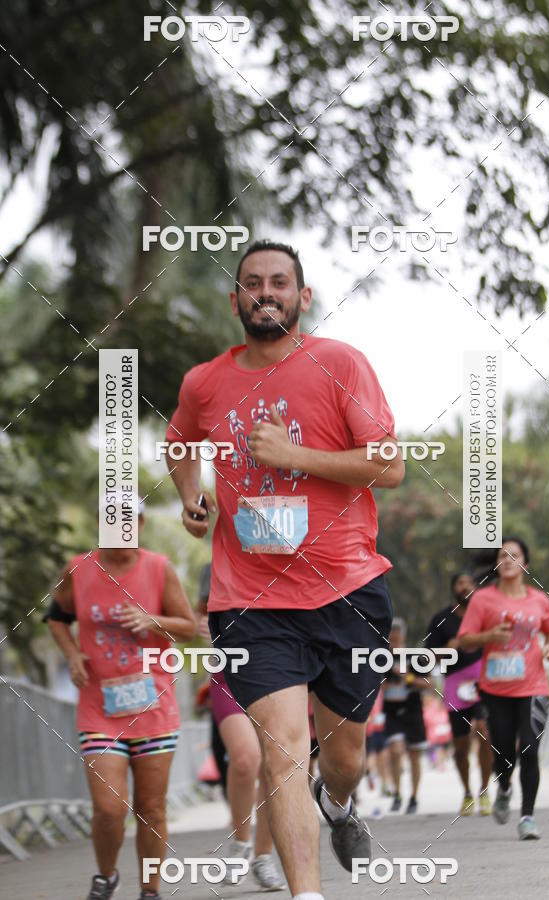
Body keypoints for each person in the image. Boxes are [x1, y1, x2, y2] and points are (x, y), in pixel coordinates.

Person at [166, 240, 404, 900]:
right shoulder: (205, 381)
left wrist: (298, 453)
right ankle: (308, 894)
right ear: (235, 299)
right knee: (282, 749)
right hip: (251, 599)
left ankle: (340, 801)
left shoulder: (340, 365)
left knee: (345, 755)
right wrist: (191, 495)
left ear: (303, 298)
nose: (264, 291)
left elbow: (389, 466)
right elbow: (180, 446)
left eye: (279, 282)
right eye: (251, 283)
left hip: (349, 589)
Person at [46, 497, 196, 900]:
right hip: (100, 709)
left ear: (141, 523)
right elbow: (56, 619)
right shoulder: (77, 570)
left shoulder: (159, 568)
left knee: (152, 809)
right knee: (110, 809)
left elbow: (189, 627)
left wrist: (154, 620)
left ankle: (149, 889)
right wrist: (73, 653)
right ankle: (107, 875)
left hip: (153, 707)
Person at [457, 536, 549, 840]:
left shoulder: (539, 600)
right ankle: (503, 786)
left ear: (525, 564)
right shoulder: (483, 599)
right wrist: (488, 635)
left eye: (514, 555)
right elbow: (464, 639)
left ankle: (527, 817)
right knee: (503, 752)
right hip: (495, 689)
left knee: (529, 749)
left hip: (534, 687)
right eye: (503, 555)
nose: (508, 560)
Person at [196, 563, 285, 891]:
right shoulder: (215, 565)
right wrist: (202, 624)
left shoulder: (286, 557)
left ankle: (263, 857)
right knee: (245, 758)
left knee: (274, 766)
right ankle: (240, 843)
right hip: (228, 672)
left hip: (278, 671)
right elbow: (198, 611)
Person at [425, 572, 493, 815]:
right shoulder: (442, 619)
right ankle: (467, 792)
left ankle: (485, 790)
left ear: (476, 587)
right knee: (461, 744)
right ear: (453, 588)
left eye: (468, 583)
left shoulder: (485, 614)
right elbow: (427, 657)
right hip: (455, 685)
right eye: (459, 584)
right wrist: (447, 648)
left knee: (484, 732)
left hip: (485, 681)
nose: (464, 587)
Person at [383, 618, 429, 814]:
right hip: (392, 711)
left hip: (412, 709)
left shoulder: (414, 657)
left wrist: (407, 677)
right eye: (390, 639)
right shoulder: (381, 658)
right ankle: (396, 793)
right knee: (395, 751)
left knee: (414, 754)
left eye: (397, 638)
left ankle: (414, 797)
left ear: (403, 637)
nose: (394, 643)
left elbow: (428, 684)